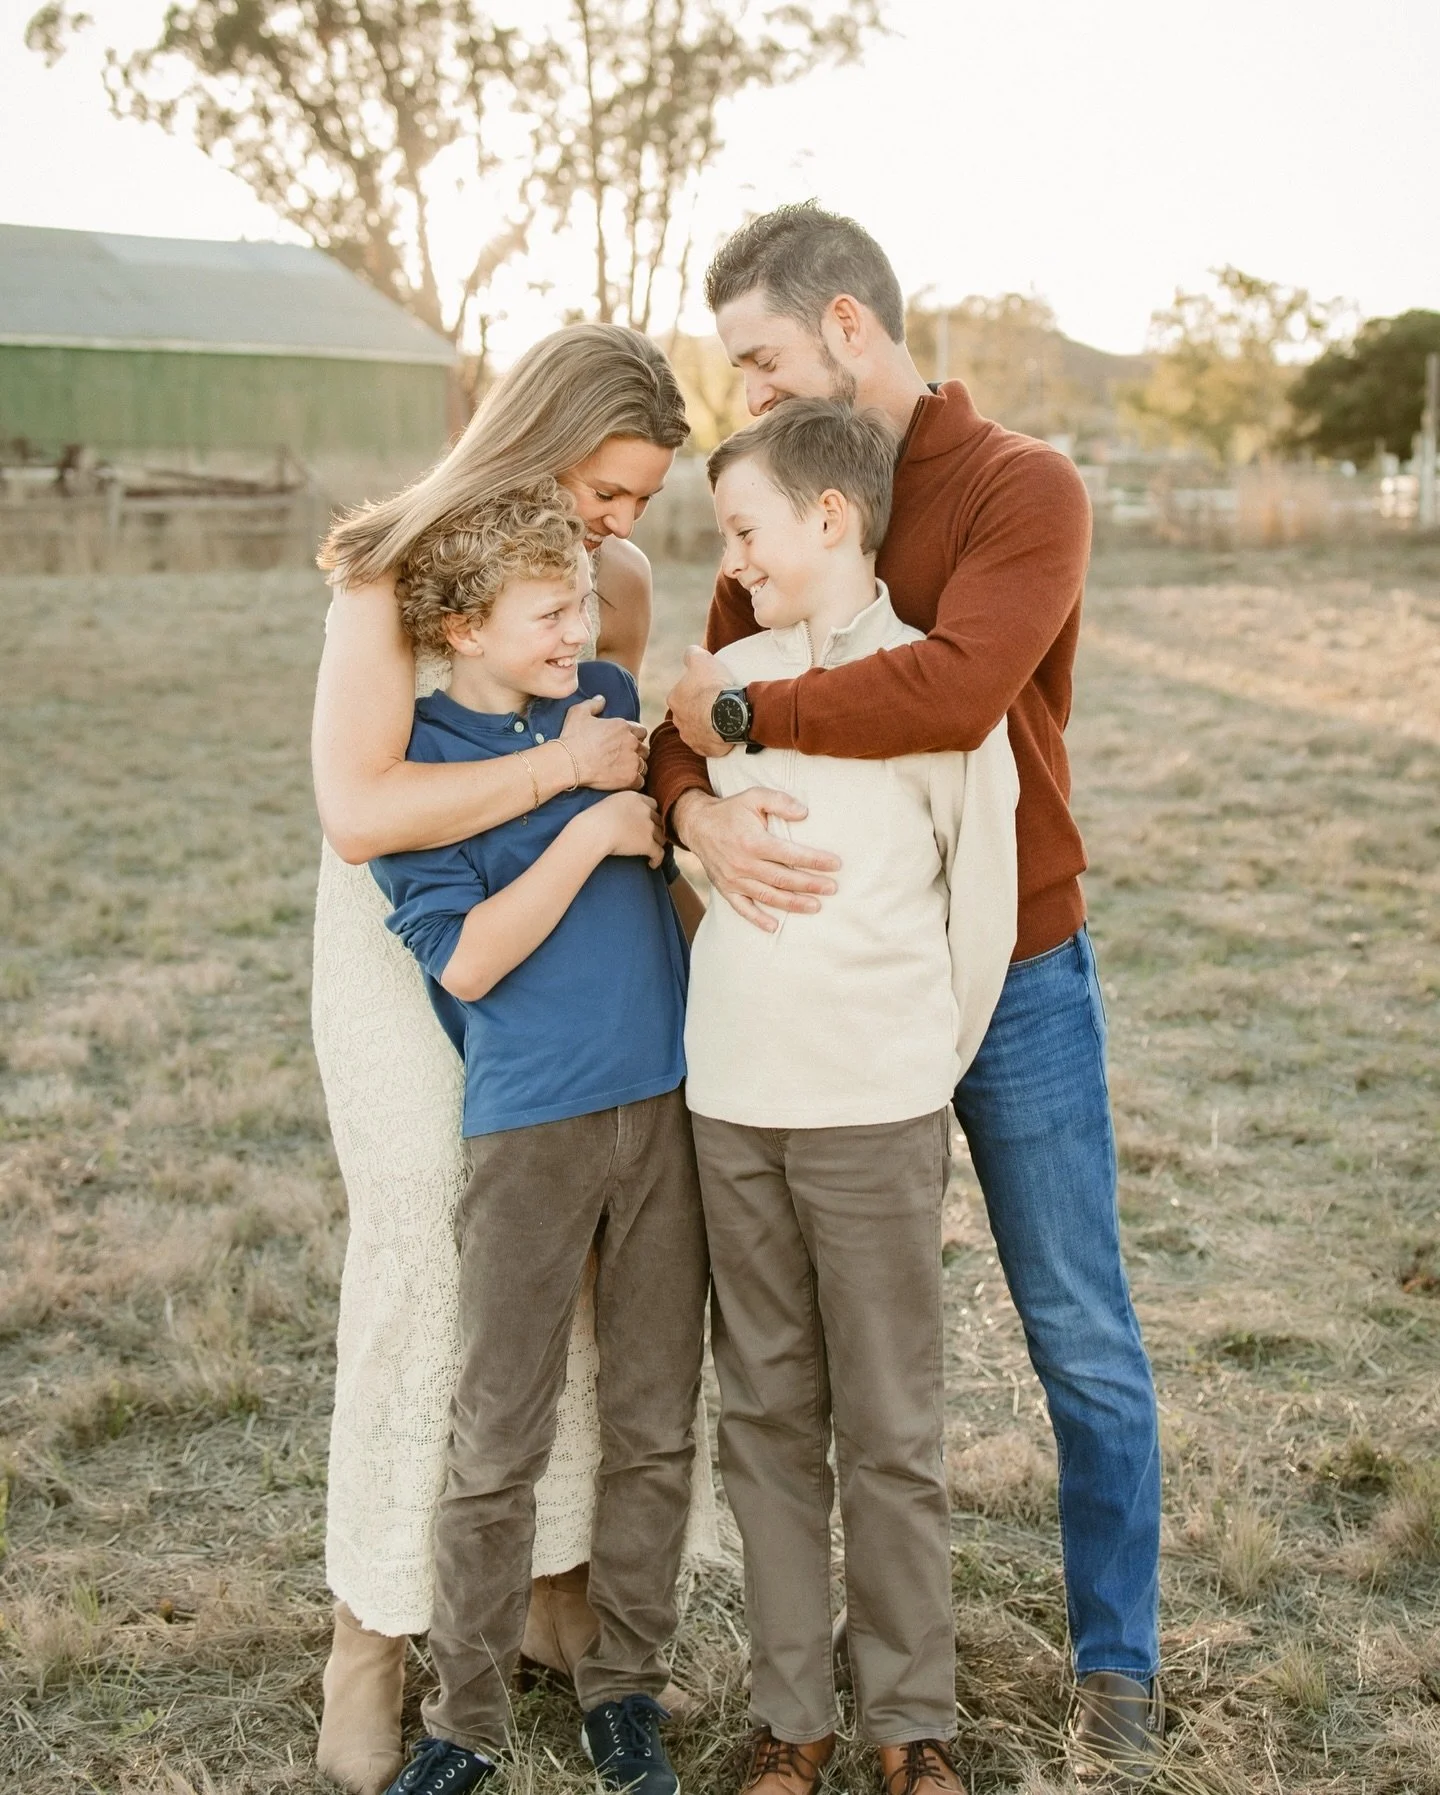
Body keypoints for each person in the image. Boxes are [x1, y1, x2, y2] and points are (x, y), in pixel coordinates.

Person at [650, 205, 1164, 1791]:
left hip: (1009, 965)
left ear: (852, 330)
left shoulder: (1025, 487)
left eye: (762, 362)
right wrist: (694, 804)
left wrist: (740, 704)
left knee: (1073, 1326)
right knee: (802, 1382)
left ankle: (1116, 1661)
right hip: (814, 1018)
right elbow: (692, 723)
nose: (743, 397)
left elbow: (954, 689)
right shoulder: (772, 527)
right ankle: (810, 1703)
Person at [311, 324, 715, 1795]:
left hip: (579, 952)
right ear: (542, 432)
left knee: (600, 1290)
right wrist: (560, 786)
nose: (618, 530)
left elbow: (616, 748)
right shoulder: (385, 566)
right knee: (431, 1260)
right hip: (409, 923)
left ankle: (557, 1586)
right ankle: (374, 1628)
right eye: (607, 490)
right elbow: (362, 808)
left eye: (638, 504)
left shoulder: (613, 586)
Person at [685, 399, 1018, 1795]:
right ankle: (788, 1716)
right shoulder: (722, 678)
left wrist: (915, 1063)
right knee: (763, 1413)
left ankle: (909, 1720)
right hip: (732, 1099)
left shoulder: (934, 690)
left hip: (872, 1106)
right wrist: (695, 815)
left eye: (747, 530)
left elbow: (981, 908)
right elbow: (679, 813)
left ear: (831, 518)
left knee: (890, 1424)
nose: (733, 559)